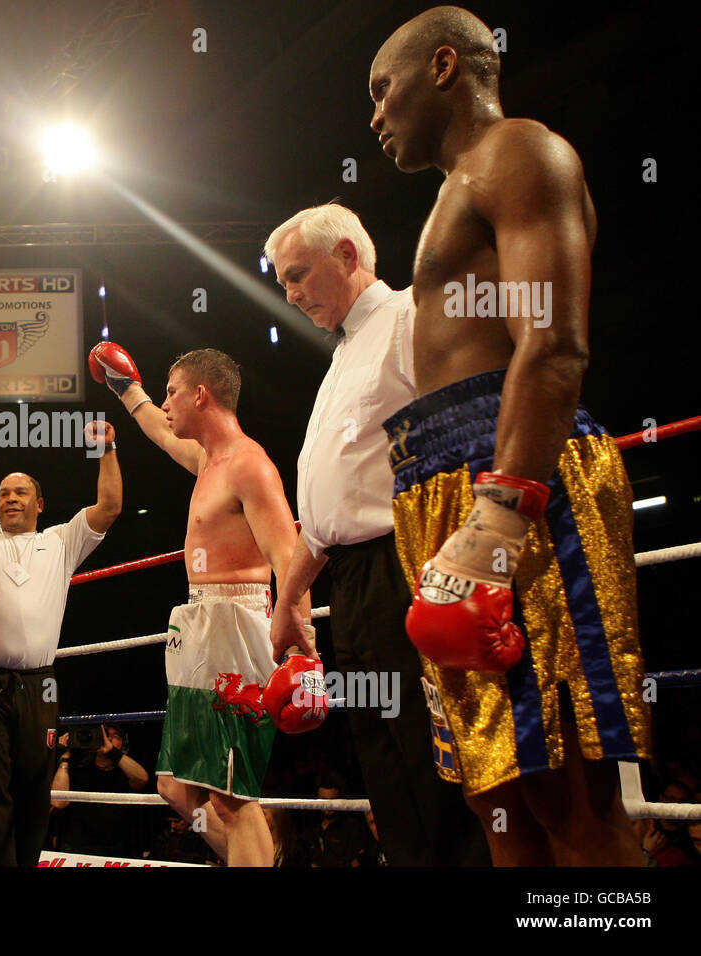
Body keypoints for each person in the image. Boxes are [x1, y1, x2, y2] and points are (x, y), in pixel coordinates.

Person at [368, 5, 650, 865]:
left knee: (567, 800)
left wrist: (500, 514)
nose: (374, 116)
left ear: (445, 66)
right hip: (438, 478)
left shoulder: (517, 151)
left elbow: (554, 339)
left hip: (512, 472)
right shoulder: (452, 192)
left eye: (384, 91)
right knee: (501, 804)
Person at [263, 203, 488, 866]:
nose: (291, 293)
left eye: (299, 274)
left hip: (409, 564)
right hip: (355, 585)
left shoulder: (410, 318)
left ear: (347, 258)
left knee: (428, 751)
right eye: (282, 283)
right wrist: (289, 600)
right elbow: (330, 512)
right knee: (381, 755)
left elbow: (474, 442)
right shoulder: (343, 356)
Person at [93, 345, 311, 867]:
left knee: (233, 799)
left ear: (200, 394)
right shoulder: (207, 459)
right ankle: (253, 857)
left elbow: (289, 557)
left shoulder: (249, 465)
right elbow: (160, 431)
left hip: (237, 628)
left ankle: (253, 855)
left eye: (171, 392)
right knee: (174, 787)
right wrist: (126, 389)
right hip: (200, 626)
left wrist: (304, 652)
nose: (165, 403)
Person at [0, 405, 121, 866]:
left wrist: (107, 448)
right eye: (1, 493)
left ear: (39, 504)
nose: (9, 498)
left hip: (40, 685)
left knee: (35, 788)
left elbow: (110, 507)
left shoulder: (60, 540)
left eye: (20, 492)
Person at [51, 724, 149, 857]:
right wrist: (65, 756)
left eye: (114, 737)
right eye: (103, 735)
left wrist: (112, 751)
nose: (106, 740)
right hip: (77, 849)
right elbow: (58, 802)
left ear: (123, 743)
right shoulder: (78, 768)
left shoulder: (125, 772)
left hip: (116, 850)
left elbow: (142, 779)